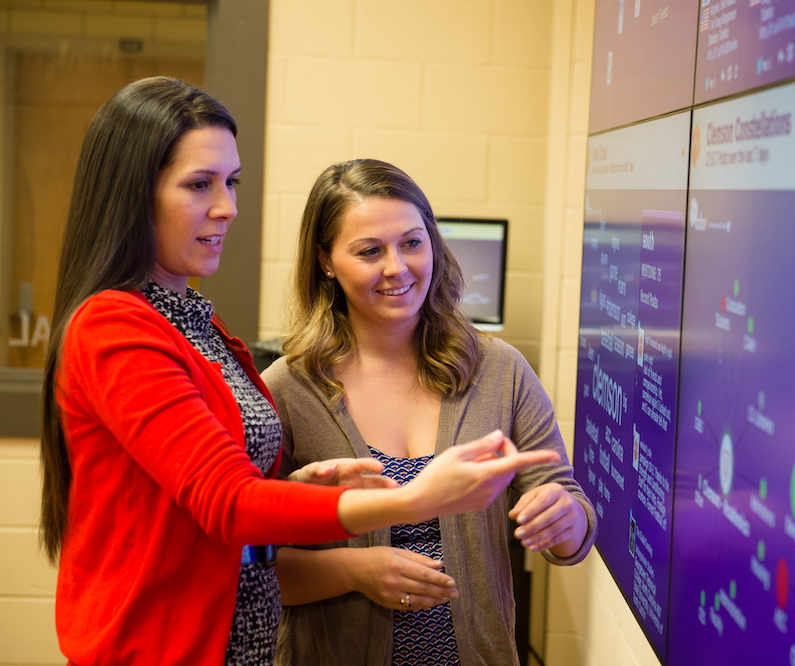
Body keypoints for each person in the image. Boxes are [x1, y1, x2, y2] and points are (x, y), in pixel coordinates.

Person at [38, 78, 556, 666]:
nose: (227, 207)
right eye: (199, 184)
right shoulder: (116, 327)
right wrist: (412, 501)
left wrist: (292, 491)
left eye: (231, 183)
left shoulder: (194, 323)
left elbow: (226, 509)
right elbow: (228, 504)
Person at [261, 159, 598, 665]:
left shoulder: (499, 369)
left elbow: (569, 517)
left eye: (412, 243)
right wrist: (354, 572)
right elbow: (251, 565)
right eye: (370, 251)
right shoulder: (288, 388)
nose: (397, 267)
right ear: (325, 261)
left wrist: (564, 519)